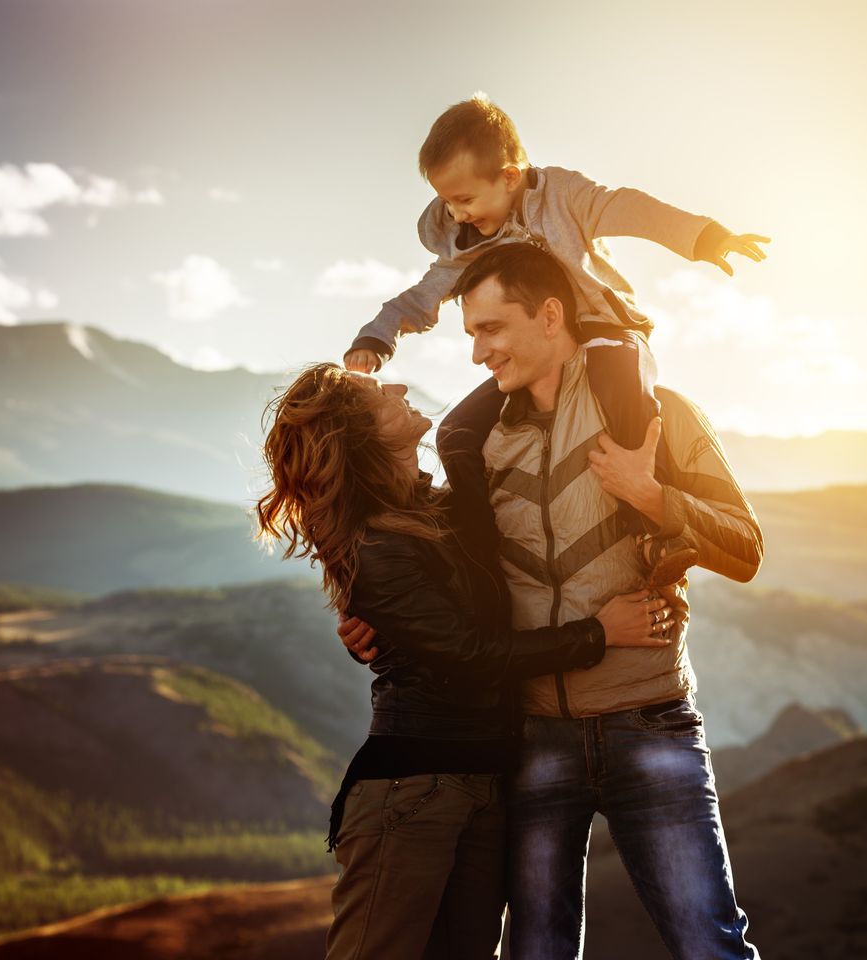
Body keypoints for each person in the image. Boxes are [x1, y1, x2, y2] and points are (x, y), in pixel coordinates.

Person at [342, 243, 764, 960]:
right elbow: (441, 571)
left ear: (549, 314)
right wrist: (373, 624)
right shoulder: (474, 445)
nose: (477, 353)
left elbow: (745, 548)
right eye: (470, 332)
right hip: (535, 741)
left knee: (710, 946)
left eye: (491, 328)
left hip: (651, 724)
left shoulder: (658, 416)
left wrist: (651, 495)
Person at [255, 362, 675, 960]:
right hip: (414, 788)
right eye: (380, 395)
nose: (400, 387)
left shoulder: (439, 510)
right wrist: (597, 634)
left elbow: (505, 381)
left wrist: (563, 333)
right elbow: (470, 654)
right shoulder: (378, 543)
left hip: (488, 781)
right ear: (362, 435)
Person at [342, 94, 768, 586]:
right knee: (456, 429)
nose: (457, 216)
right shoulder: (470, 246)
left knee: (616, 376)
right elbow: (425, 293)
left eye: (465, 200)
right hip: (524, 642)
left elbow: (624, 207)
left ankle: (648, 532)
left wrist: (703, 237)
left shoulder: (563, 197)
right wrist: (377, 336)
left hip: (606, 330)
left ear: (508, 176)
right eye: (447, 203)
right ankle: (477, 553)